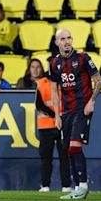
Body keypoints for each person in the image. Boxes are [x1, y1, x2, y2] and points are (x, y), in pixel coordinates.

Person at [49, 29, 101, 199]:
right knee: (67, 149)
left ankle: (84, 185)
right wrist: (57, 115)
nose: (67, 41)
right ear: (57, 42)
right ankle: (78, 187)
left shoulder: (83, 58)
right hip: (66, 112)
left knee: (74, 146)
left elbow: (99, 80)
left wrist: (91, 101)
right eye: (62, 39)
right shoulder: (54, 63)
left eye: (69, 38)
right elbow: (54, 91)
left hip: (82, 108)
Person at [36, 65, 71, 193]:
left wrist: (59, 118)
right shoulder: (41, 83)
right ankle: (45, 185)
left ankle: (66, 185)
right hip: (47, 125)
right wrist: (56, 116)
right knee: (46, 157)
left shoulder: (65, 83)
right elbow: (39, 104)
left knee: (64, 156)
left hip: (61, 124)